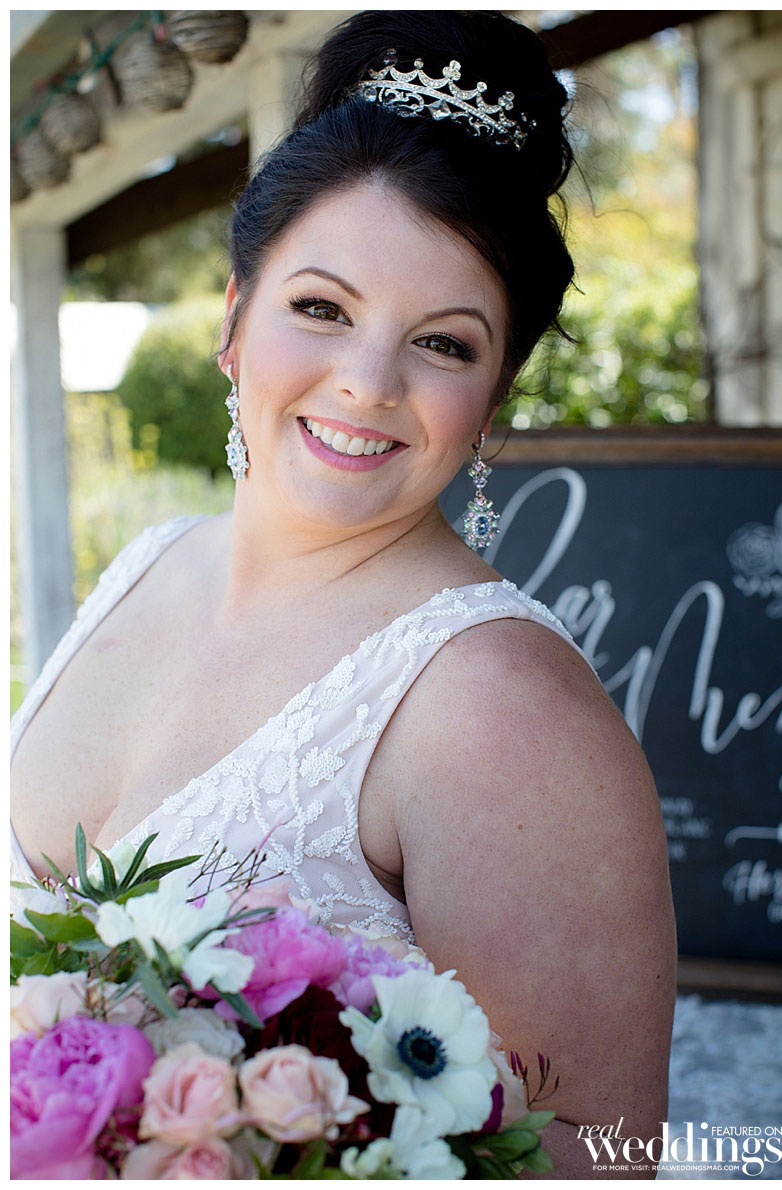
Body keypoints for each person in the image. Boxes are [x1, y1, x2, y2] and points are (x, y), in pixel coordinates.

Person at [11, 11, 676, 1178]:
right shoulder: (147, 563)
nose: (367, 383)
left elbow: (602, 1155)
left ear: (494, 396)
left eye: (443, 343)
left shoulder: (497, 708)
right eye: (320, 307)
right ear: (232, 319)